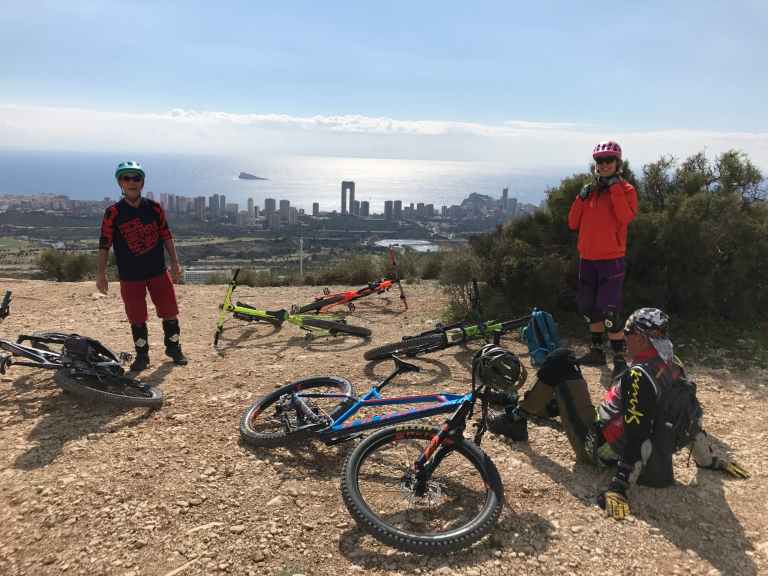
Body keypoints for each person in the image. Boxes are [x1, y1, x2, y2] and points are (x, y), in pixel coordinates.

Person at [487, 307, 749, 520]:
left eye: (628, 332)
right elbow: (688, 414)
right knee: (566, 390)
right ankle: (538, 405)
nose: (624, 337)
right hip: (617, 429)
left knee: (560, 360)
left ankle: (516, 420)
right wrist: (709, 460)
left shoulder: (639, 378)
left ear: (642, 338)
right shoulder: (672, 364)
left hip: (596, 445)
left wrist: (618, 488)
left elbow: (637, 436)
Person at [96, 161, 188, 371]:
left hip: (158, 270)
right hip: (130, 275)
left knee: (170, 311)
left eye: (136, 178)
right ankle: (142, 355)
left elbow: (166, 235)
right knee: (136, 317)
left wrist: (175, 262)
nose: (132, 182)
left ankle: (173, 348)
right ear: (120, 183)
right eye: (126, 178)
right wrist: (101, 273)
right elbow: (104, 244)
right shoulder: (113, 213)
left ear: (142, 182)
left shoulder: (154, 208)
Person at [568, 141, 638, 379]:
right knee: (589, 308)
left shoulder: (626, 190)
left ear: (618, 163)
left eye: (609, 160)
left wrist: (615, 187)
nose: (604, 164)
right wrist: (581, 197)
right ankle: (597, 351)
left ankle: (619, 359)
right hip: (587, 259)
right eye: (600, 161)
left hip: (611, 260)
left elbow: (625, 217)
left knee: (610, 311)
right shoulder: (590, 191)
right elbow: (572, 223)